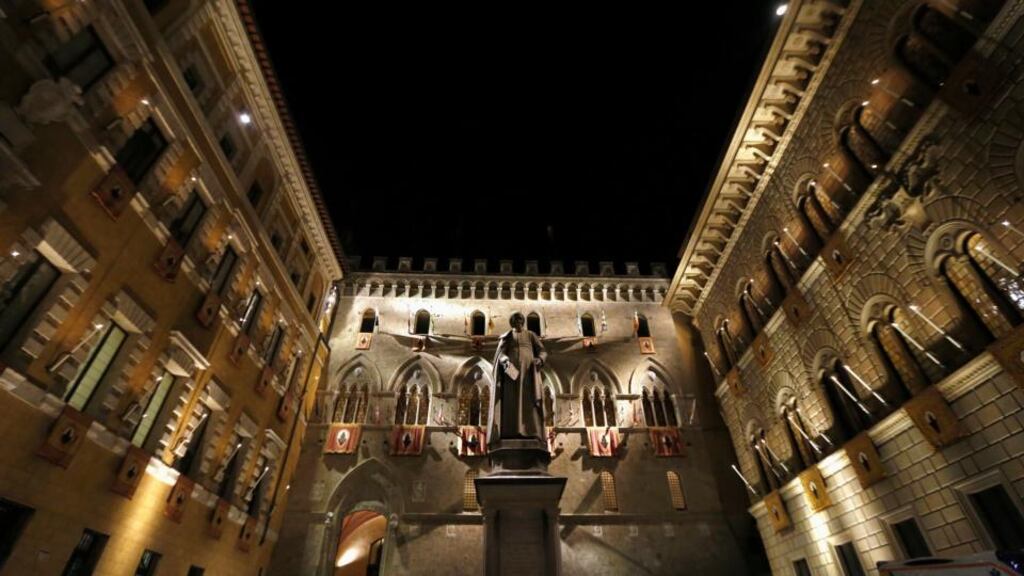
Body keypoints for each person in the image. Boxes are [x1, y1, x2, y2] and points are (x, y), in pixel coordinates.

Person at [487, 312, 548, 449]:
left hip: (529, 373)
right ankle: (511, 432)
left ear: (523, 321)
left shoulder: (531, 335)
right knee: (511, 401)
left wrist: (540, 359)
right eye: (515, 320)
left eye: (520, 319)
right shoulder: (507, 336)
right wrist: (504, 360)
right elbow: (500, 354)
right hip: (511, 373)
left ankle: (531, 432)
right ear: (512, 322)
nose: (518, 321)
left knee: (529, 400)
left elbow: (542, 351)